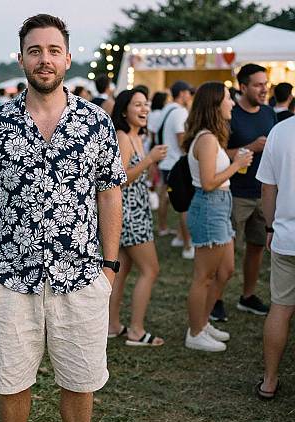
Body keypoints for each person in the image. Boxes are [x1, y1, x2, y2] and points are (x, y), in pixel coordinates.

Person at [0, 13, 125, 422]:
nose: (44, 59)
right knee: (12, 378)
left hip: (80, 275)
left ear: (68, 58)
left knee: (79, 377)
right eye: (35, 51)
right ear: (21, 60)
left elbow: (110, 192)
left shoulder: (94, 121)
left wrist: (110, 266)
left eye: (53, 50)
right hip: (12, 277)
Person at [183, 82, 253, 352]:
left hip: (220, 206)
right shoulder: (207, 139)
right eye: (228, 99)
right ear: (214, 104)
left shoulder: (211, 136)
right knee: (204, 275)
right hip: (210, 206)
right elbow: (210, 182)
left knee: (225, 271)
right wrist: (237, 165)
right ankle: (195, 331)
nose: (233, 103)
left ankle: (203, 322)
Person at [107, 88, 167, 346]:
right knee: (150, 269)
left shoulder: (135, 136)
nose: (144, 110)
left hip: (135, 211)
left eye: (146, 105)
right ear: (124, 111)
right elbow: (117, 180)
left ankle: (111, 325)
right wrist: (150, 160)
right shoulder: (122, 136)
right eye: (138, 105)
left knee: (121, 271)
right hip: (129, 214)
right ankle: (136, 330)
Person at [221, 64, 277, 319]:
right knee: (226, 251)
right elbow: (218, 155)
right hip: (236, 193)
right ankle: (216, 299)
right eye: (258, 84)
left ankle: (248, 296)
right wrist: (251, 147)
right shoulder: (231, 114)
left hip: (262, 192)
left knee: (256, 246)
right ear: (243, 87)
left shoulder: (269, 112)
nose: (264, 89)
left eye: (265, 84)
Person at [256, 116, 295, 399]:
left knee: (280, 307)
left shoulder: (279, 132)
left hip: (286, 236)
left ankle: (269, 381)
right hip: (285, 236)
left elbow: (268, 189)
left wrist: (270, 226)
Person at [157, 81, 194, 258]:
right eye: (188, 92)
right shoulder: (180, 112)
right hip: (176, 163)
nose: (190, 96)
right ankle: (187, 245)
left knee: (169, 198)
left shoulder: (167, 109)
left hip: (166, 161)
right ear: (182, 93)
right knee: (184, 205)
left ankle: (178, 236)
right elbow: (182, 140)